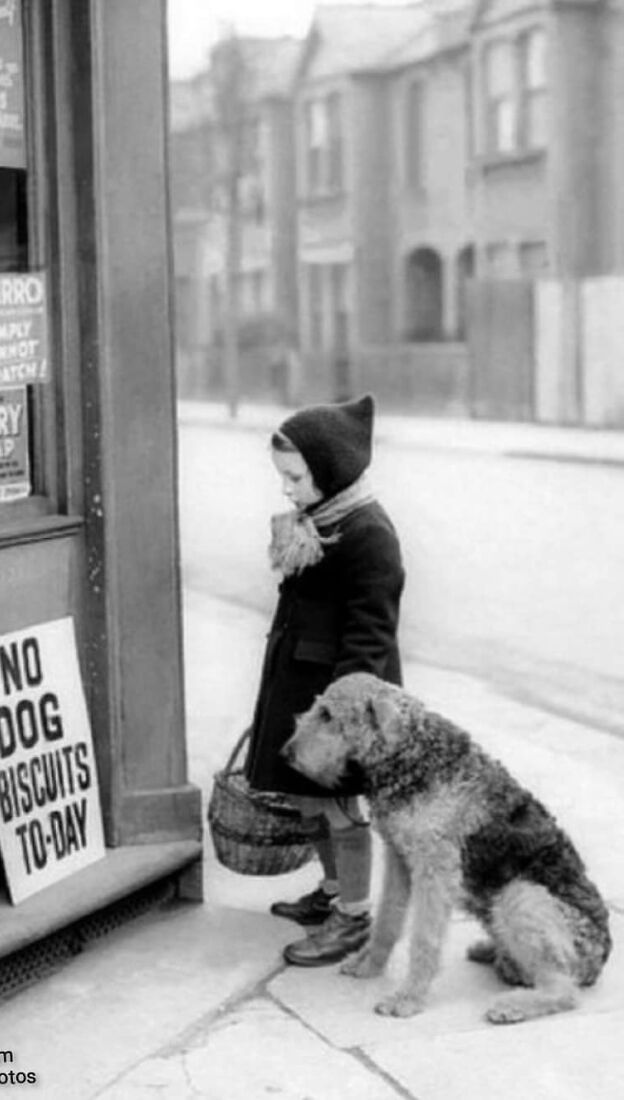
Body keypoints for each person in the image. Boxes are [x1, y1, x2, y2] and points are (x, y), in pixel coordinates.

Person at [243, 395, 405, 966]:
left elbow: (370, 637)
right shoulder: (322, 520)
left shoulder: (368, 534)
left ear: (329, 470)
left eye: (294, 477)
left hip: (340, 702)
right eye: (282, 477)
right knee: (306, 801)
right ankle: (334, 891)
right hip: (299, 687)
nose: (286, 489)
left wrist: (337, 722)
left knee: (337, 807)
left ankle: (354, 917)